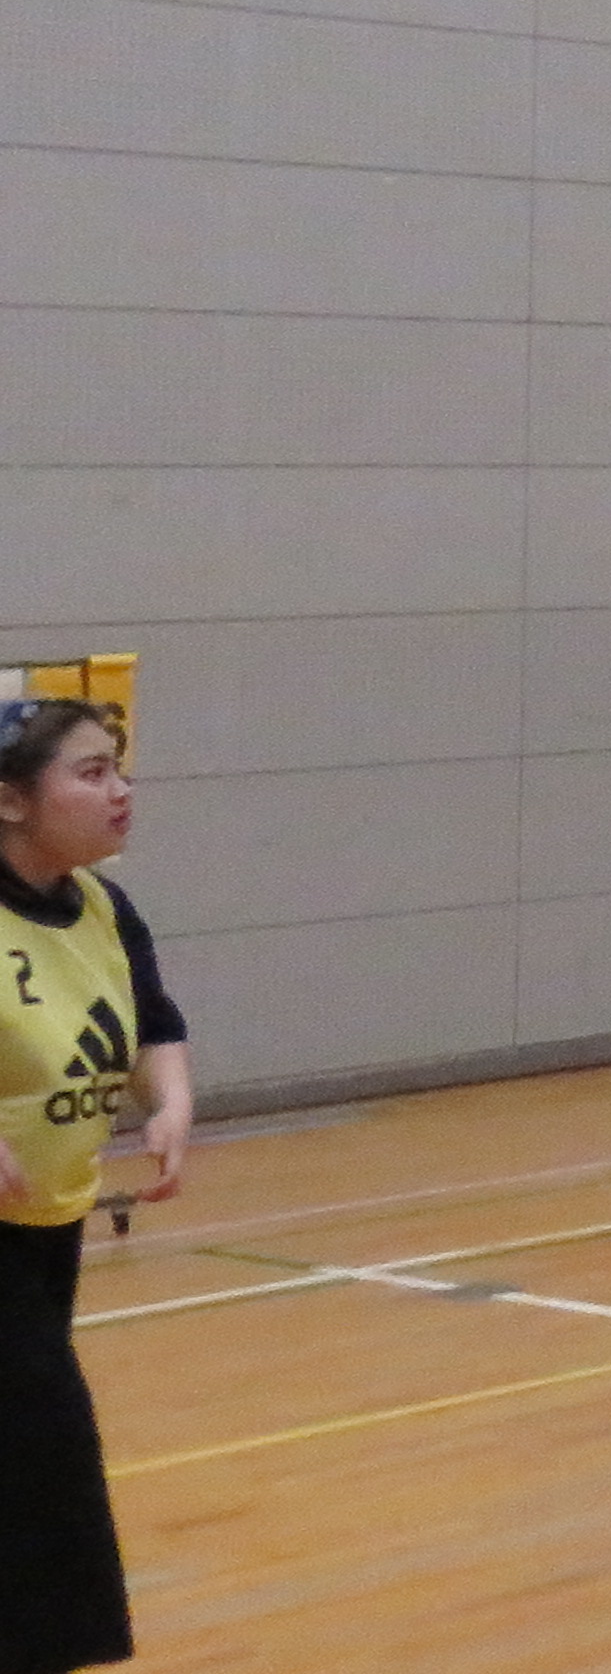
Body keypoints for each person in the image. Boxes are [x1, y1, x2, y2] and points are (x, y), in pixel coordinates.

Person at [0, 699, 185, 1674]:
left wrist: (170, 1102)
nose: (121, 790)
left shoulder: (105, 908)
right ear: (11, 800)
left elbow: (154, 1019)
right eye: (90, 772)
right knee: (47, 1448)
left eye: (119, 767)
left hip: (47, 1220)